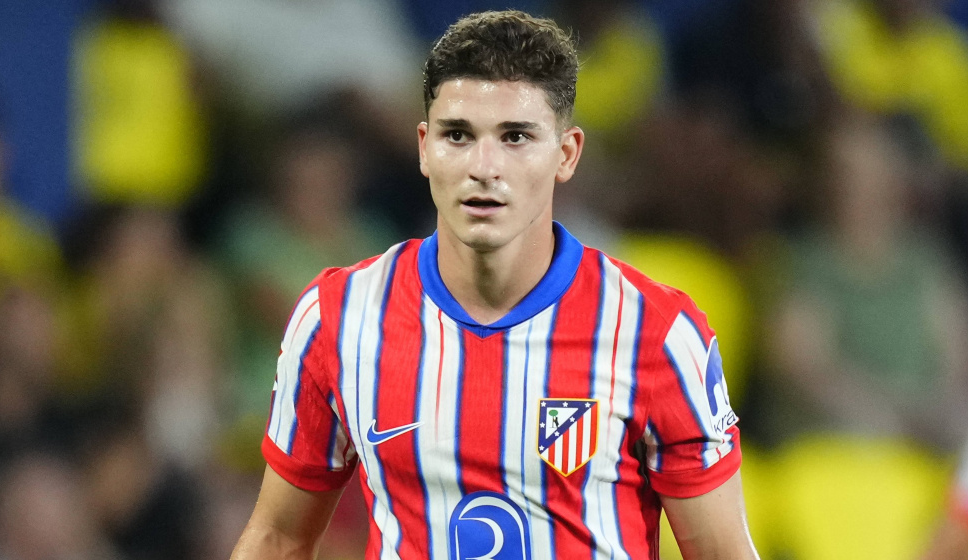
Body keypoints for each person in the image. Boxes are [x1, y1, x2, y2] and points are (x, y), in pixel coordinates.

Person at [231, 10, 759, 560]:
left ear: (566, 154)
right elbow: (278, 538)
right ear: (423, 148)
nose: (484, 167)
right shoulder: (338, 318)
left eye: (515, 137)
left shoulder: (655, 332)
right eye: (458, 135)